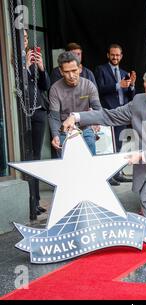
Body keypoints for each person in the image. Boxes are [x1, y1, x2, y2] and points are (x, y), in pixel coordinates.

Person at [63, 67, 146, 229]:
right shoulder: (139, 102)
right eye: (145, 87)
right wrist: (77, 116)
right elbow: (110, 116)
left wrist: (142, 155)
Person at [94, 43, 136, 184]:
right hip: (108, 112)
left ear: (121, 56)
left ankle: (118, 172)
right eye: (113, 54)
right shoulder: (101, 69)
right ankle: (109, 175)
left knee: (119, 145)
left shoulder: (124, 73)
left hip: (122, 114)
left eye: (118, 55)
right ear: (108, 55)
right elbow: (99, 89)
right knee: (108, 146)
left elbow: (130, 96)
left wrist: (132, 86)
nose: (115, 57)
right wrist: (118, 85)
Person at [48, 52, 101, 156]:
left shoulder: (89, 85)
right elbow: (54, 117)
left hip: (85, 128)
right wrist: (55, 136)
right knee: (66, 166)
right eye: (67, 72)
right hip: (64, 130)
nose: (71, 75)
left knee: (91, 162)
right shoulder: (55, 89)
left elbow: (98, 109)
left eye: (74, 70)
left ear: (80, 68)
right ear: (61, 71)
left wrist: (96, 122)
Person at [23, 29, 51, 220]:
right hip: (23, 113)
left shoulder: (31, 56)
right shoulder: (15, 61)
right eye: (22, 37)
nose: (25, 40)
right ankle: (30, 202)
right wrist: (25, 67)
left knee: (37, 156)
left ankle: (36, 201)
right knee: (28, 157)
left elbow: (45, 86)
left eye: (26, 37)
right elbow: (19, 84)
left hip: (39, 110)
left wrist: (41, 68)